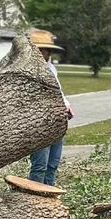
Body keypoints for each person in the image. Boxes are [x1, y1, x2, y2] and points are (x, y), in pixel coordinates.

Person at [29, 37, 72, 185]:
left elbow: (59, 92)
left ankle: (49, 194)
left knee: (52, 164)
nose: (44, 53)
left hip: (57, 120)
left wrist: (67, 105)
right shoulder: (29, 71)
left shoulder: (52, 68)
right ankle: (34, 198)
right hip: (40, 123)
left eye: (46, 50)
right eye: (40, 50)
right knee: (40, 165)